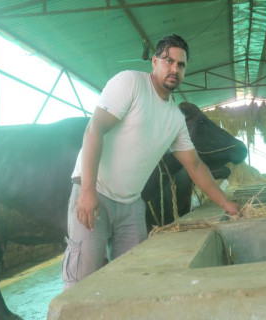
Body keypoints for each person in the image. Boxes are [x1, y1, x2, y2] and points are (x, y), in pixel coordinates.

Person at [62, 34, 239, 290]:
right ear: (155, 61)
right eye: (168, 61)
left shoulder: (175, 119)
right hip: (95, 192)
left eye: (181, 65)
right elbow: (94, 130)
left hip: (132, 204)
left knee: (134, 280)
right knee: (82, 282)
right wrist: (87, 191)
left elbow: (196, 166)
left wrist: (225, 203)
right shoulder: (130, 83)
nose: (174, 69)